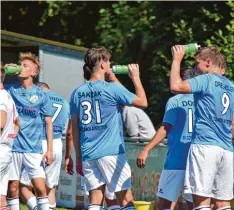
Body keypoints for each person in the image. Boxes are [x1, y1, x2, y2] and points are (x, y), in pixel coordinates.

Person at [68, 46, 147, 210]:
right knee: (126, 201)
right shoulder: (111, 88)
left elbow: (74, 129)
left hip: (89, 153)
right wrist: (136, 78)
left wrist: (79, 157)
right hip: (111, 152)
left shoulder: (77, 93)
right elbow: (143, 102)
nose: (110, 64)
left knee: (95, 201)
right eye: (108, 61)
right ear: (102, 64)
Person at [170, 45, 233, 210]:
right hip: (227, 150)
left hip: (205, 146)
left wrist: (177, 59)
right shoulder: (231, 87)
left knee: (201, 202)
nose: (195, 70)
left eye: (197, 64)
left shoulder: (207, 79)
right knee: (222, 203)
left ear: (207, 62)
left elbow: (175, 86)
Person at [137, 67, 199, 210]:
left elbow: (165, 128)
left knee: (164, 204)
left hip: (176, 161)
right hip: (196, 161)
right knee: (195, 205)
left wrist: (146, 149)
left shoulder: (175, 100)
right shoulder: (202, 100)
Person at [6, 53, 53, 210]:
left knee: (40, 188)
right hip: (14, 147)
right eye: (21, 65)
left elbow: (48, 123)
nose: (21, 67)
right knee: (13, 188)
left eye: (25, 66)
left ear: (34, 72)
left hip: (33, 148)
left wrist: (50, 150)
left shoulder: (41, 95)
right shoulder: (11, 89)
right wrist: (6, 70)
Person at [19, 82, 70, 210]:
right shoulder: (64, 101)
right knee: (50, 188)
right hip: (57, 143)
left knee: (24, 186)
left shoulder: (37, 98)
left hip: (38, 142)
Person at [65, 120, 121, 210]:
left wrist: (69, 156)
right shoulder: (108, 106)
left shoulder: (77, 105)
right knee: (112, 199)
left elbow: (70, 133)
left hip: (89, 153)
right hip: (110, 150)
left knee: (95, 199)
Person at [0, 64, 20, 210]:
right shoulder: (8, 96)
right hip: (6, 150)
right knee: (2, 200)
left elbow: (0, 123)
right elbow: (18, 122)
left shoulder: (0, 97)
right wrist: (11, 135)